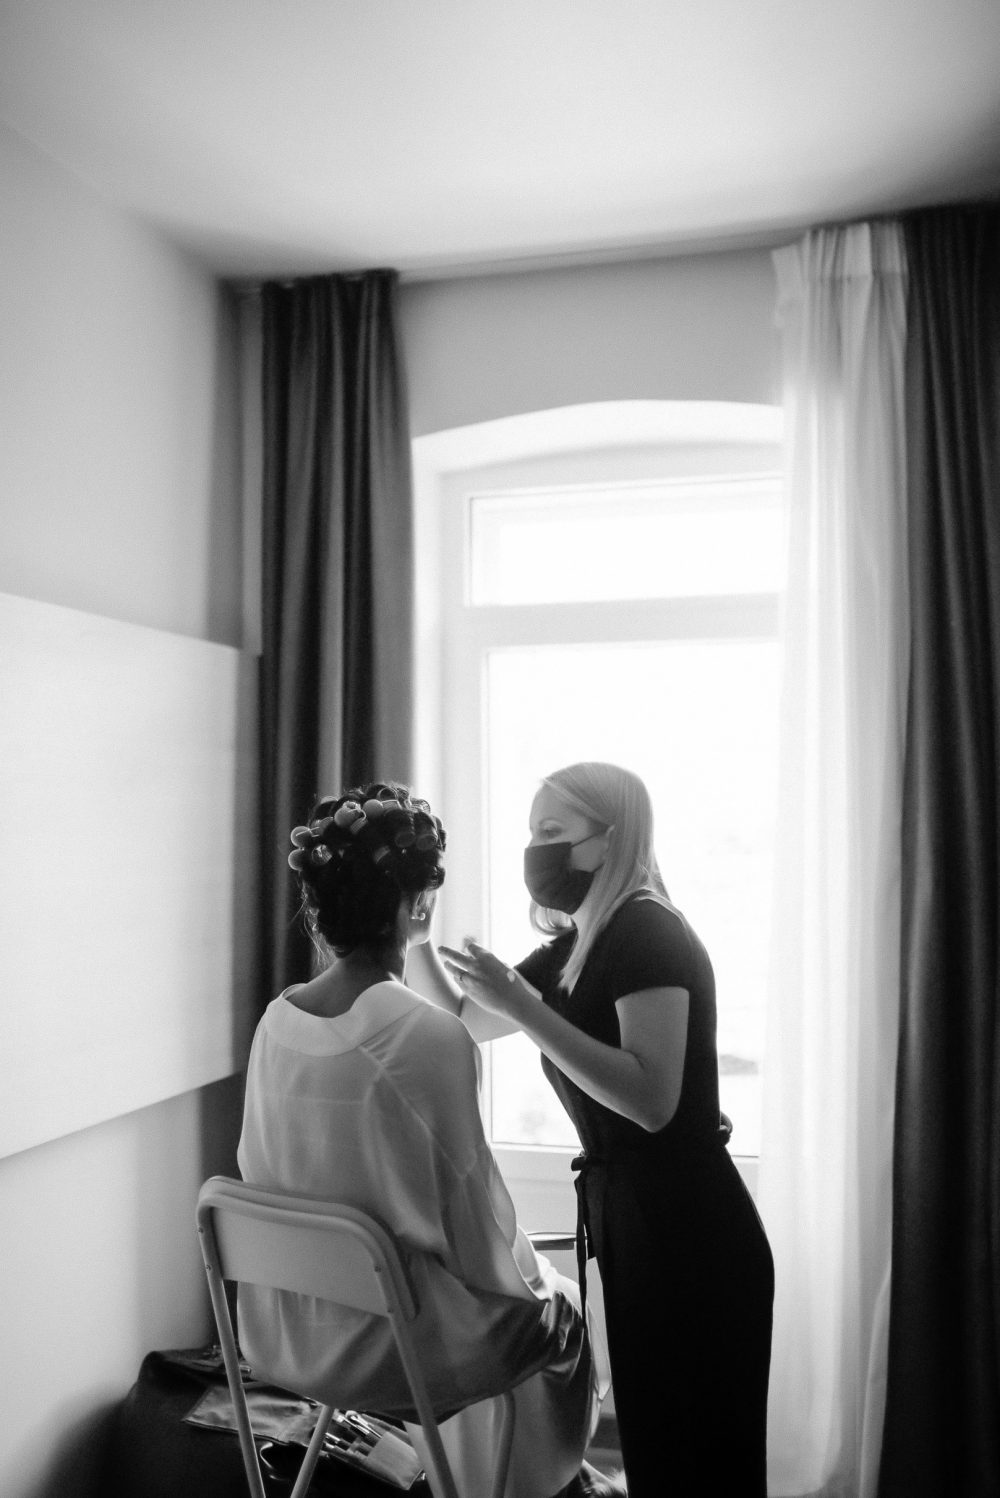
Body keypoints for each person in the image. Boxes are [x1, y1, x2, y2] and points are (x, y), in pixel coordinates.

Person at [237, 781, 622, 1498]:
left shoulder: (275, 1022)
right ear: (418, 906)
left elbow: (263, 1170)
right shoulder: (426, 1036)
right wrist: (536, 1283)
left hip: (286, 1328)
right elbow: (476, 1227)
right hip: (396, 1347)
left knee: (482, 1297)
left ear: (317, 909)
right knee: (555, 1314)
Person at [430, 762, 775, 1498]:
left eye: (553, 832)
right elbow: (464, 1019)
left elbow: (652, 1099)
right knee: (657, 1447)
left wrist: (526, 1009)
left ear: (611, 838)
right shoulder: (575, 946)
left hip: (693, 1228)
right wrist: (411, 917)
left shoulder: (647, 930)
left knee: (702, 1457)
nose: (537, 850)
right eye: (531, 832)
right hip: (637, 1218)